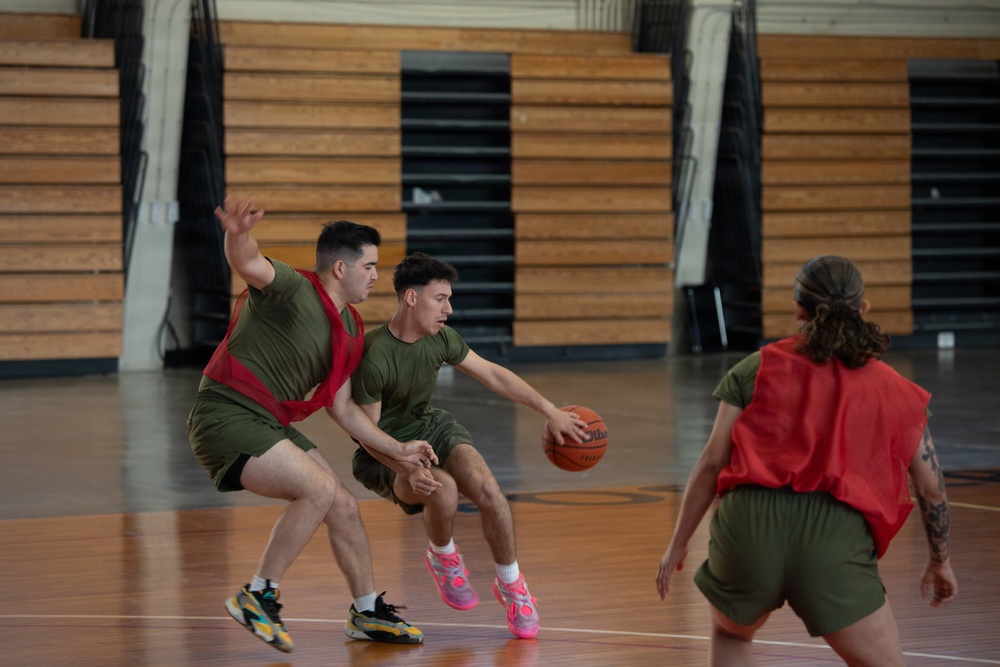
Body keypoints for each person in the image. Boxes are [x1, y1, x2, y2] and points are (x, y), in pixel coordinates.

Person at [655, 255, 957, 666]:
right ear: (862, 308)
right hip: (834, 539)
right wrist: (940, 561)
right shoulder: (897, 389)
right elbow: (930, 486)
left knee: (731, 633)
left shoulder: (756, 367)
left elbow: (711, 463)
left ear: (798, 309)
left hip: (748, 528)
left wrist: (677, 545)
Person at [187, 196, 439, 653]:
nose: (376, 275)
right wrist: (238, 232)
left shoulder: (351, 328)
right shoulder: (291, 287)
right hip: (225, 415)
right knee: (318, 489)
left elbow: (343, 411)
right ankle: (257, 594)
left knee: (341, 503)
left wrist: (398, 452)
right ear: (340, 268)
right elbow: (247, 261)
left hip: (269, 422)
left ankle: (365, 612)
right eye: (369, 265)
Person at [349, 252, 587, 639]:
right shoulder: (375, 355)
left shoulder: (440, 337)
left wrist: (549, 409)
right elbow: (366, 432)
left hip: (433, 428)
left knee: (488, 489)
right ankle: (443, 558)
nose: (449, 308)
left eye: (449, 298)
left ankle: (511, 585)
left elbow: (492, 373)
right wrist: (407, 462)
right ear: (411, 298)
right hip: (384, 451)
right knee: (444, 493)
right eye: (440, 298)